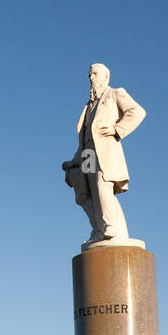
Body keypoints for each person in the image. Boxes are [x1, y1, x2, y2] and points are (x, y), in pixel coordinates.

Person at [60, 63, 146, 248]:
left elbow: (137, 112)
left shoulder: (115, 93)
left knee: (102, 185)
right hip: (89, 153)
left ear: (106, 77)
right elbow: (83, 139)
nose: (91, 78)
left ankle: (110, 227)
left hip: (105, 151)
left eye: (95, 74)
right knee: (87, 190)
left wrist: (117, 129)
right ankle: (98, 229)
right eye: (90, 75)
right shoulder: (88, 107)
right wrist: (74, 162)